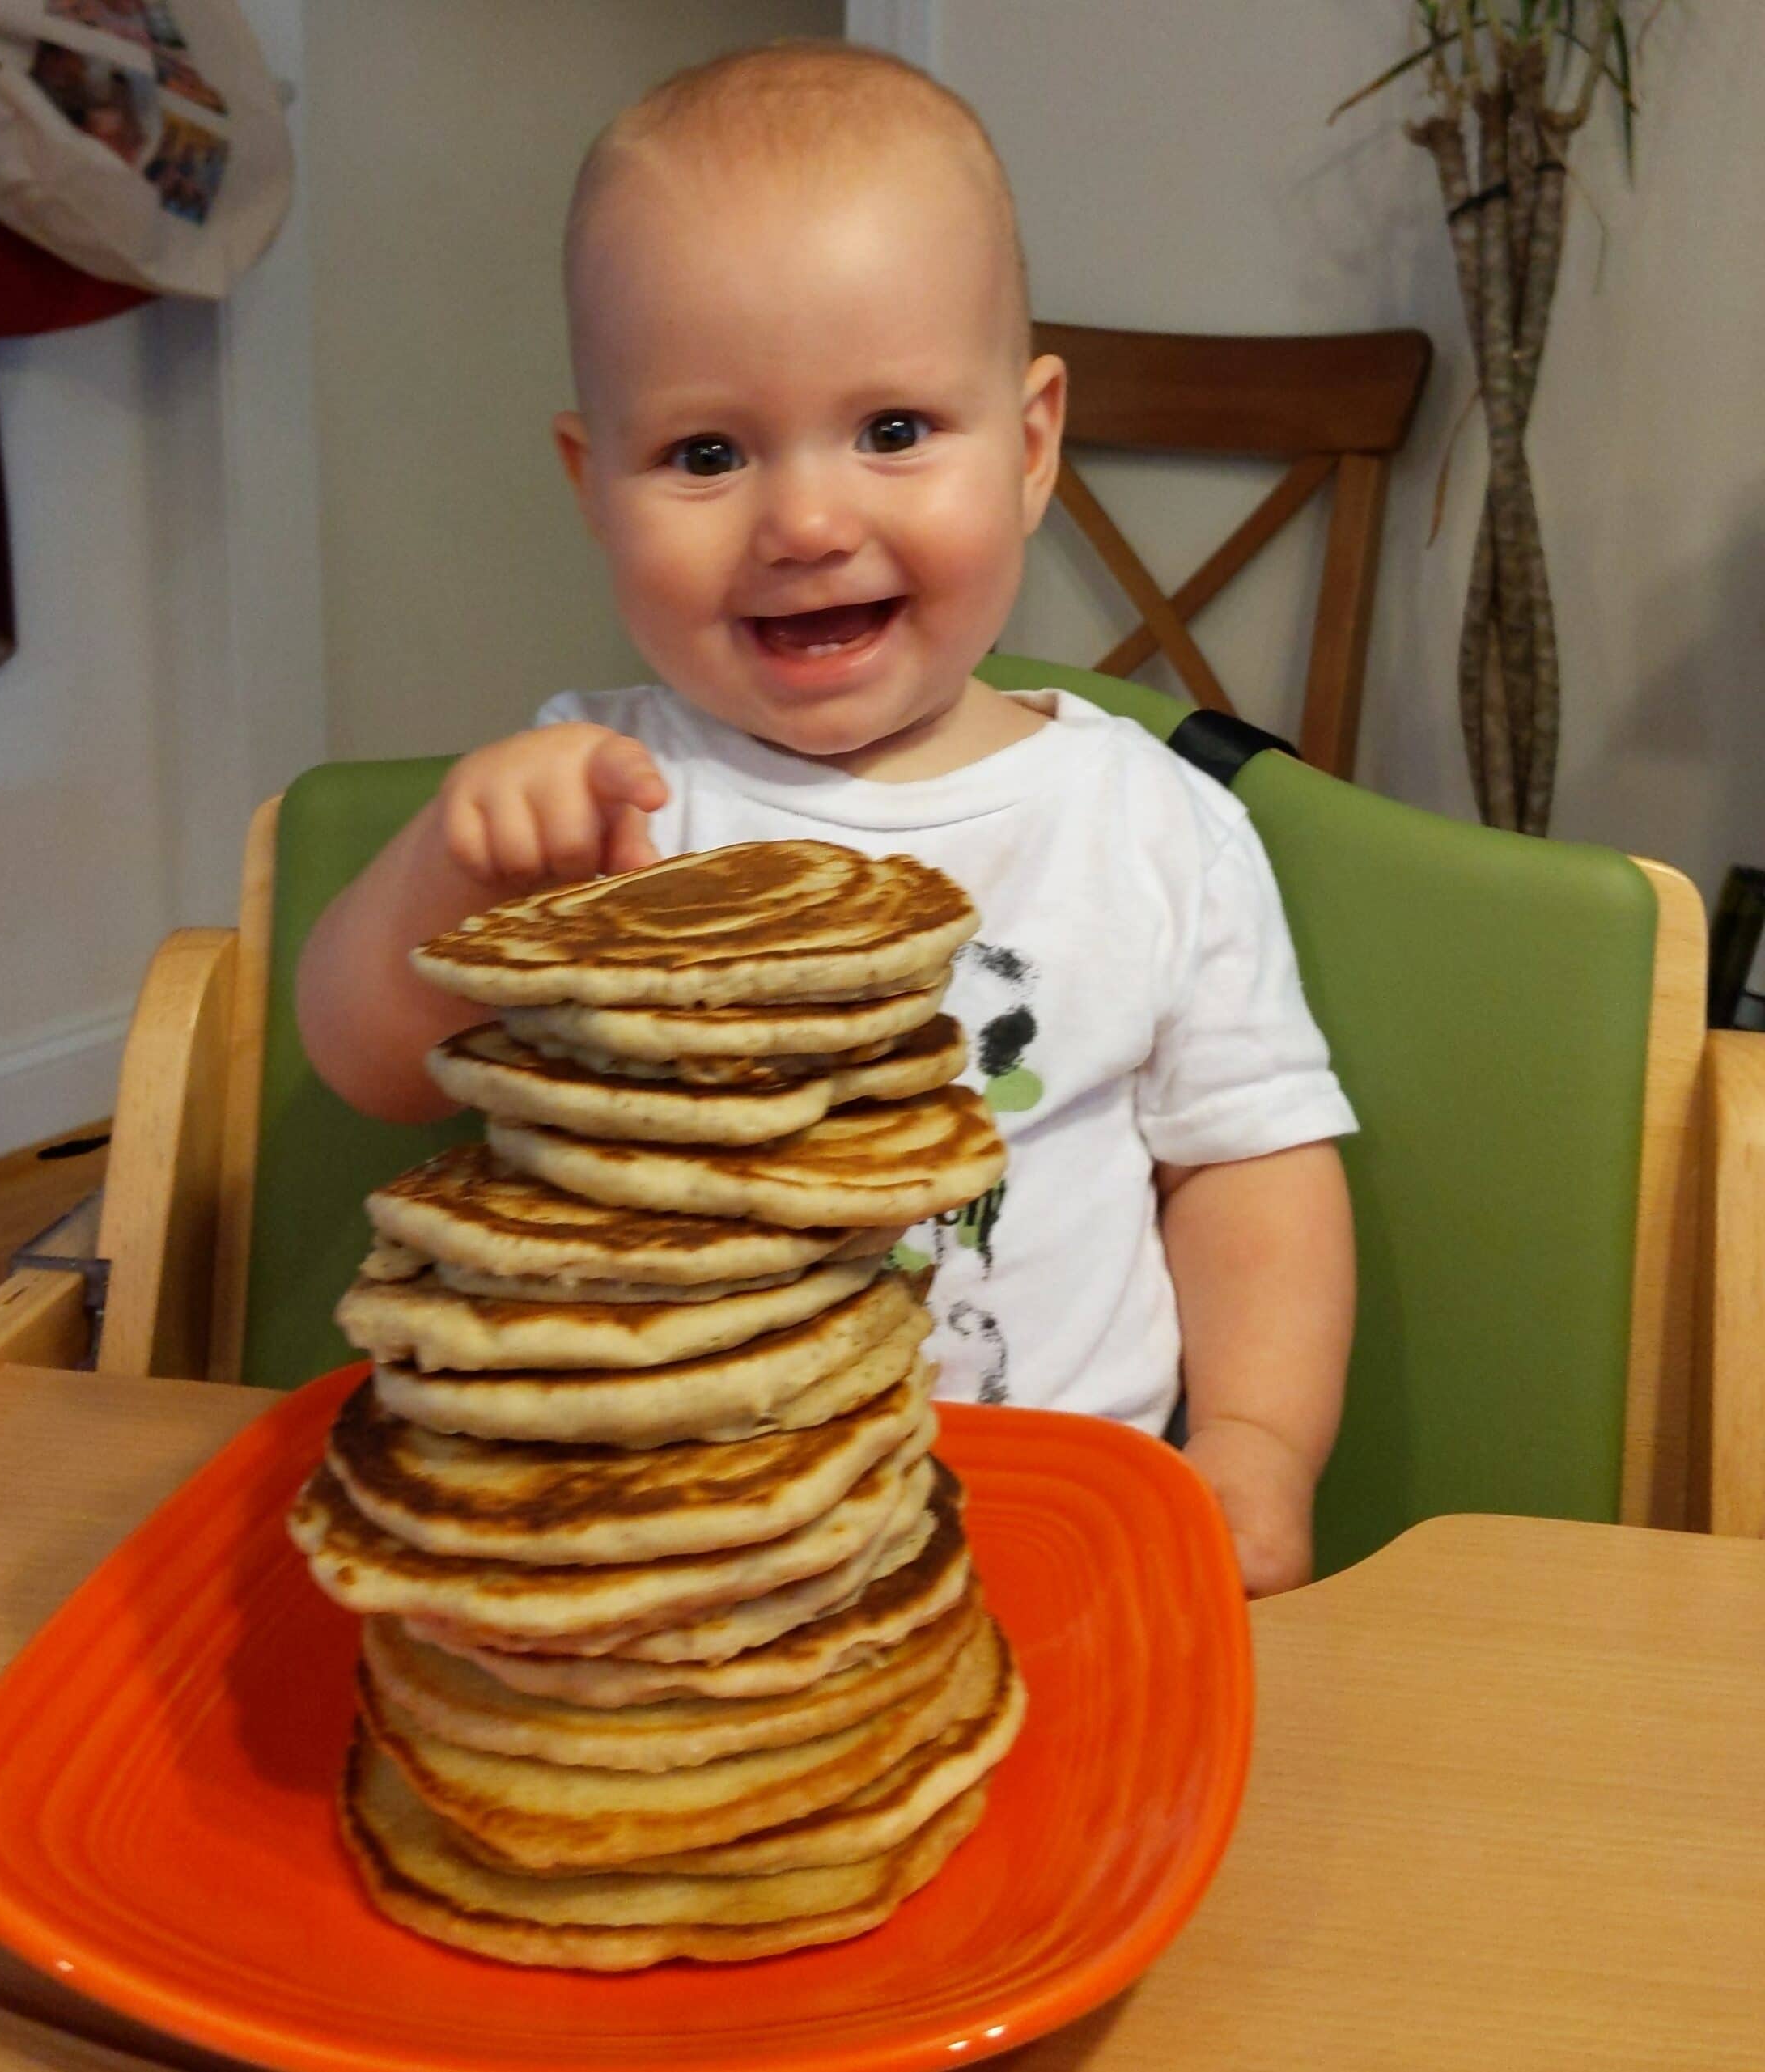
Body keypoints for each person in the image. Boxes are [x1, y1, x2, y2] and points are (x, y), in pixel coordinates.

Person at [296, 42, 1356, 1597]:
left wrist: (1258, 1441)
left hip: (1050, 1538)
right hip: (657, 1541)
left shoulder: (1151, 821)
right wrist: (440, 872)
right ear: (593, 485)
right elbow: (370, 1066)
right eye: (707, 453)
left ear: (1033, 446)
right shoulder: (598, 797)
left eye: (894, 430)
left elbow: (1247, 1169)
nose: (804, 521)